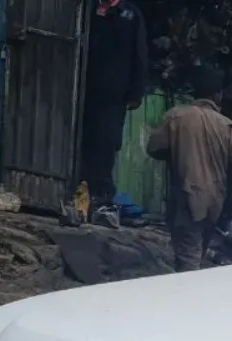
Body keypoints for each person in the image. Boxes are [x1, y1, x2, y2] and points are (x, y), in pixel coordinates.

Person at [147, 66, 232, 272]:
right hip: (215, 203)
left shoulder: (176, 117)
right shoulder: (228, 127)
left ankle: (186, 301)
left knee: (188, 262)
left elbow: (153, 148)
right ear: (218, 95)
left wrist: (178, 150)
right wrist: (228, 210)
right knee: (197, 255)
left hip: (187, 199)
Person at [78, 0, 150, 229]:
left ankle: (101, 199)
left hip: (113, 95)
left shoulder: (130, 15)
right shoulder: (88, 9)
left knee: (105, 144)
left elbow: (139, 56)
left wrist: (136, 92)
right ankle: (77, 195)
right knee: (81, 141)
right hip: (83, 89)